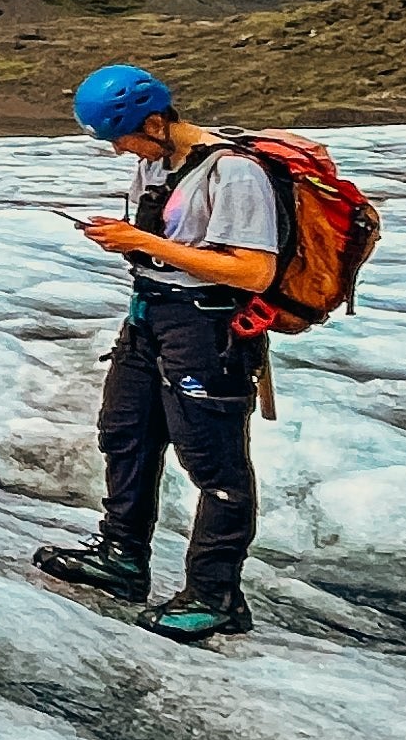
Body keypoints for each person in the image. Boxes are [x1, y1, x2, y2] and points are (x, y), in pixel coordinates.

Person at [34, 63, 283, 644]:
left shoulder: (235, 172)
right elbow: (174, 245)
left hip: (208, 327)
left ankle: (216, 595)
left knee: (213, 462)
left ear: (153, 119)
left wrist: (142, 242)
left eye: (120, 135)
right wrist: (134, 243)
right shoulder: (155, 161)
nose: (117, 149)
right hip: (151, 315)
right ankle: (122, 557)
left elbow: (254, 268)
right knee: (127, 432)